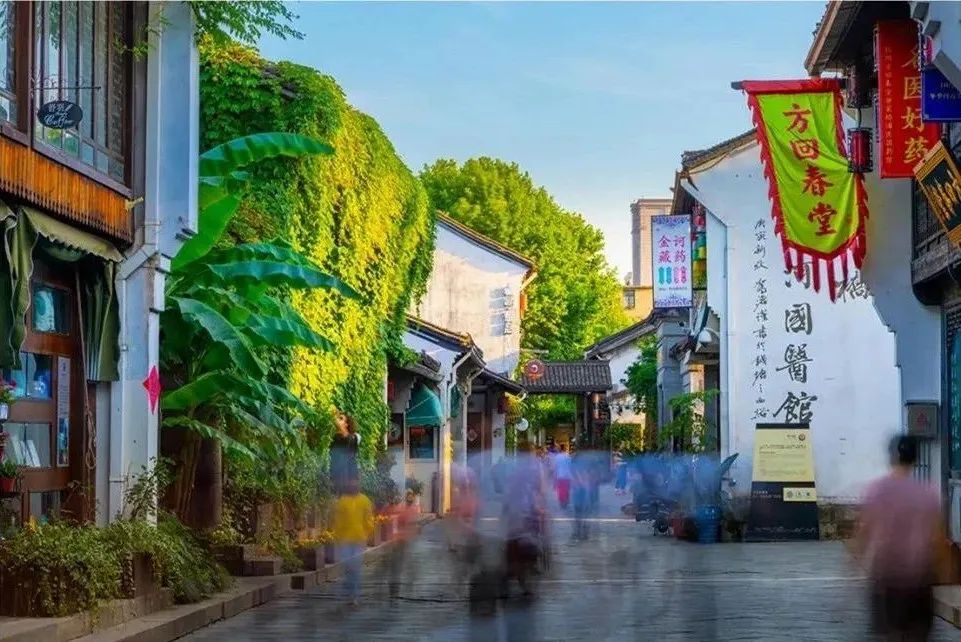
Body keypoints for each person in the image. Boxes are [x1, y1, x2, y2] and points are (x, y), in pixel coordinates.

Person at [854, 435, 942, 641]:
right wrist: (943, 571)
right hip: (919, 579)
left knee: (890, 634)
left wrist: (852, 568)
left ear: (891, 456)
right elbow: (937, 539)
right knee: (918, 634)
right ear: (915, 458)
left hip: (887, 578)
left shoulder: (877, 489)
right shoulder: (928, 493)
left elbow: (863, 532)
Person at [332, 478, 374, 605]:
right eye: (351, 484)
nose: (353, 486)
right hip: (345, 540)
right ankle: (350, 589)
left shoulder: (365, 500)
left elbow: (368, 519)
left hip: (359, 540)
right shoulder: (342, 501)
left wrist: (366, 534)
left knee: (355, 567)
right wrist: (338, 538)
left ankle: (353, 594)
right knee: (348, 566)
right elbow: (338, 521)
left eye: (356, 484)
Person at [387, 490, 421, 598]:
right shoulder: (400, 508)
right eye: (408, 497)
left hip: (407, 540)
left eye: (411, 497)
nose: (410, 499)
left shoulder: (414, 509)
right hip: (399, 540)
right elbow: (395, 523)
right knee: (397, 563)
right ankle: (394, 587)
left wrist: (414, 529)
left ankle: (404, 582)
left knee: (403, 562)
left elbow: (415, 524)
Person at [330, 411, 360, 495]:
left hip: (348, 477)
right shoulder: (334, 437)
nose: (337, 420)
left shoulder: (353, 437)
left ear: (346, 424)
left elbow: (348, 439)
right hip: (336, 476)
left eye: (341, 419)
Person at [552, 444, 573, 510]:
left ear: (559, 449)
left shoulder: (556, 457)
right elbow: (571, 467)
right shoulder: (568, 456)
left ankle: (562, 503)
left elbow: (555, 468)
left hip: (560, 476)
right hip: (568, 476)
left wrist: (554, 479)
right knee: (566, 490)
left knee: (561, 491)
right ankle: (566, 501)